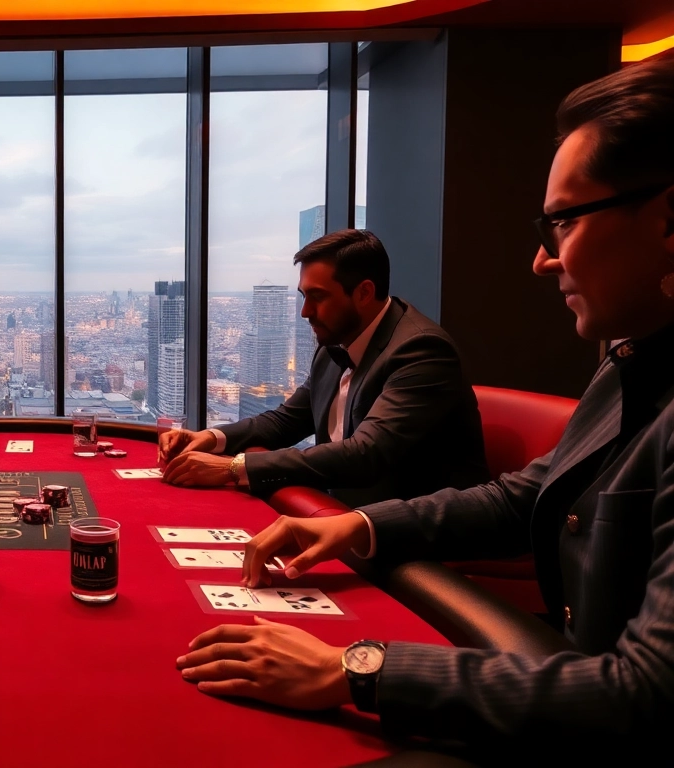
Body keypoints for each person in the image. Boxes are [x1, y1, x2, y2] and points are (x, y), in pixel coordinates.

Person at [175, 57, 674, 756]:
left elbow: (644, 699)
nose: (541, 259)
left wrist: (354, 667)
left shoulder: (422, 352)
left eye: (561, 221)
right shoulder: (631, 365)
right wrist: (351, 526)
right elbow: (520, 500)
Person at [159, 229, 488, 507]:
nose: (305, 312)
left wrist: (233, 467)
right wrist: (211, 437)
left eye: (318, 296)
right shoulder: (335, 343)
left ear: (364, 293)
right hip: (338, 511)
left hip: (412, 530)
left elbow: (366, 455)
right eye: (303, 296)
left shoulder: (422, 351)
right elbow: (287, 420)